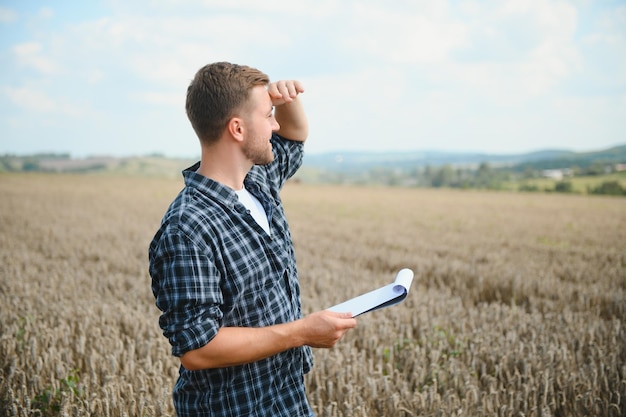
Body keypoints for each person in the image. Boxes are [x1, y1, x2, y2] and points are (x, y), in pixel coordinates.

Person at [148, 61, 357, 417]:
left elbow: (294, 137)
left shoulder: (259, 182)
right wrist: (301, 332)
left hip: (286, 399)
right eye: (268, 115)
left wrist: (284, 99)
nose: (276, 124)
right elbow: (198, 348)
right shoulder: (188, 227)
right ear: (238, 128)